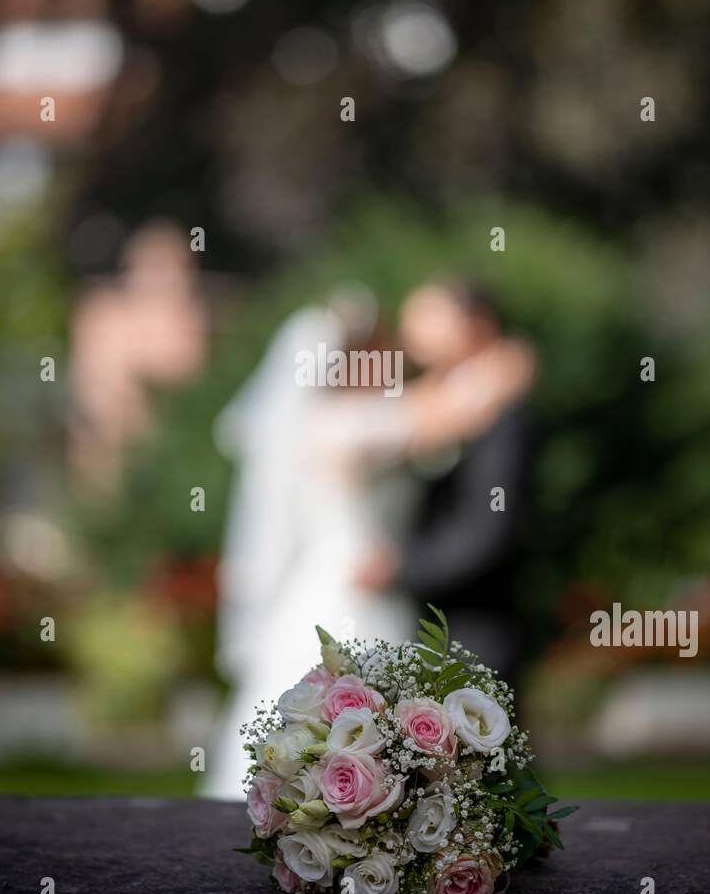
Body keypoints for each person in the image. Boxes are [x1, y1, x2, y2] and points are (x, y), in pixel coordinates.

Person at [205, 284, 533, 798]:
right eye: (383, 352)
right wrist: (504, 364)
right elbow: (445, 413)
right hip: (348, 589)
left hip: (365, 585)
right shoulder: (341, 425)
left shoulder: (350, 418)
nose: (396, 360)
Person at [355, 280, 536, 688]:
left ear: (477, 324)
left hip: (472, 622)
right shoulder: (457, 400)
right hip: (401, 608)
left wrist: (403, 566)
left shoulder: (501, 416)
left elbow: (487, 528)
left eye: (430, 315)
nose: (412, 328)